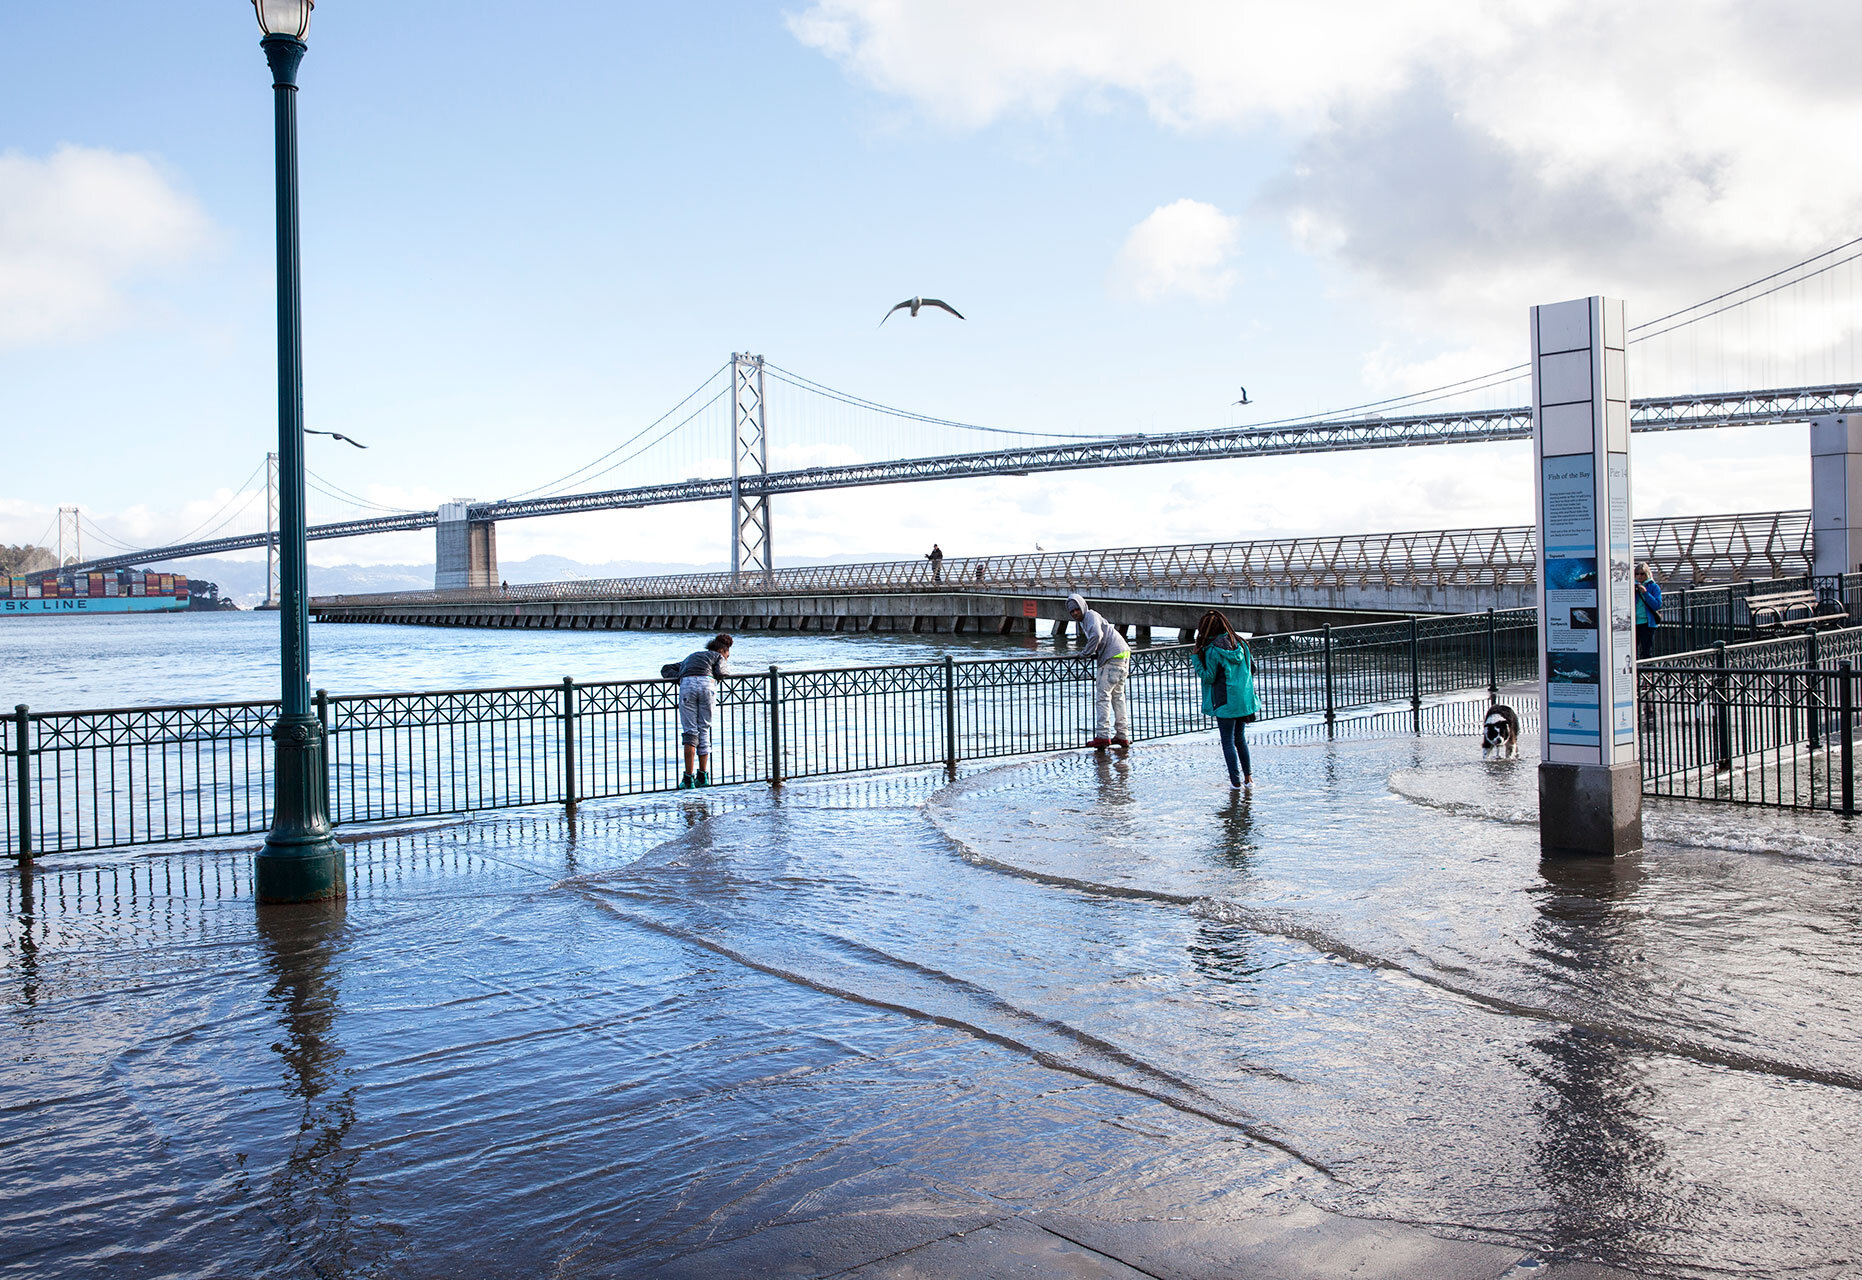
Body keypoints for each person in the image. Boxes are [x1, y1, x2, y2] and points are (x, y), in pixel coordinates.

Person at [1190, 609, 1259, 788]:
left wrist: (1196, 659)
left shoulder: (1213, 651)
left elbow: (1209, 677)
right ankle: (1248, 779)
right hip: (1243, 700)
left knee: (1227, 741)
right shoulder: (1242, 644)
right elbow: (1252, 668)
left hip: (1225, 702)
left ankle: (1235, 782)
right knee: (1240, 739)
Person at [1067, 592, 1131, 748]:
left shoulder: (1090, 616)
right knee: (1118, 698)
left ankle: (1103, 736)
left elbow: (1097, 635)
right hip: (1123, 656)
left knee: (1103, 698)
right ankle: (1122, 735)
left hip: (1111, 659)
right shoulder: (1091, 618)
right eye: (1072, 611)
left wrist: (1085, 653)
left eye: (1076, 609)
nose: (1075, 613)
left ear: (1082, 606)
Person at [677, 633, 732, 788]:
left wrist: (683, 678)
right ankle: (703, 776)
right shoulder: (718, 656)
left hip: (687, 685)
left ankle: (688, 779)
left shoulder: (692, 657)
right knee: (704, 729)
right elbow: (722, 672)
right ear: (722, 651)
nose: (727, 658)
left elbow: (667, 669)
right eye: (728, 655)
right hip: (707, 685)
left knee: (690, 731)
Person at [1634, 562, 1662, 660]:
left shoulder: (1653, 587)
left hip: (1647, 623)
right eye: (1636, 574)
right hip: (1633, 623)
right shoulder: (1631, 587)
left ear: (1647, 574)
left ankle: (1648, 672)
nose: (1639, 576)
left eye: (1642, 574)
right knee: (1633, 650)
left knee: (1646, 650)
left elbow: (1657, 605)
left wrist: (1645, 593)